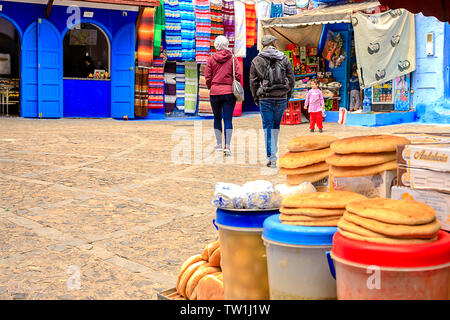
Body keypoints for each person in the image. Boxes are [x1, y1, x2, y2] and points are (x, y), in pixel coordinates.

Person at [249, 35, 295, 168]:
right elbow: (291, 79)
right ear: (273, 43)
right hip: (281, 97)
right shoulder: (283, 57)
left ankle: (272, 157)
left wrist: (256, 97)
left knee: (268, 127)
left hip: (265, 98)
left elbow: (253, 82)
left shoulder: (257, 60)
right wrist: (287, 95)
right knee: (276, 126)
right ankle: (273, 153)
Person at [205, 36, 243, 157]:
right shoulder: (233, 58)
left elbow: (207, 76)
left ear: (216, 45)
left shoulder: (211, 59)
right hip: (228, 93)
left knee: (217, 118)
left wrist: (211, 86)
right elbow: (238, 74)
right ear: (227, 45)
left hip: (215, 93)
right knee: (228, 119)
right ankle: (227, 146)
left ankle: (219, 144)